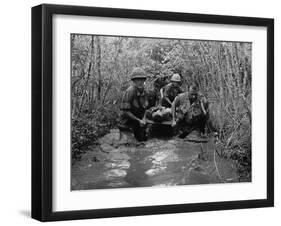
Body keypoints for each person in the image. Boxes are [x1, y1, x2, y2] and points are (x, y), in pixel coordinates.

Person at [119, 67, 149, 141]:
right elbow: (125, 111)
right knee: (128, 145)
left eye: (142, 79)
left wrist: (144, 119)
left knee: (143, 140)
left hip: (138, 122)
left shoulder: (146, 92)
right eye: (138, 80)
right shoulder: (130, 91)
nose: (140, 82)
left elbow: (145, 108)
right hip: (127, 123)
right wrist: (139, 120)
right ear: (134, 81)